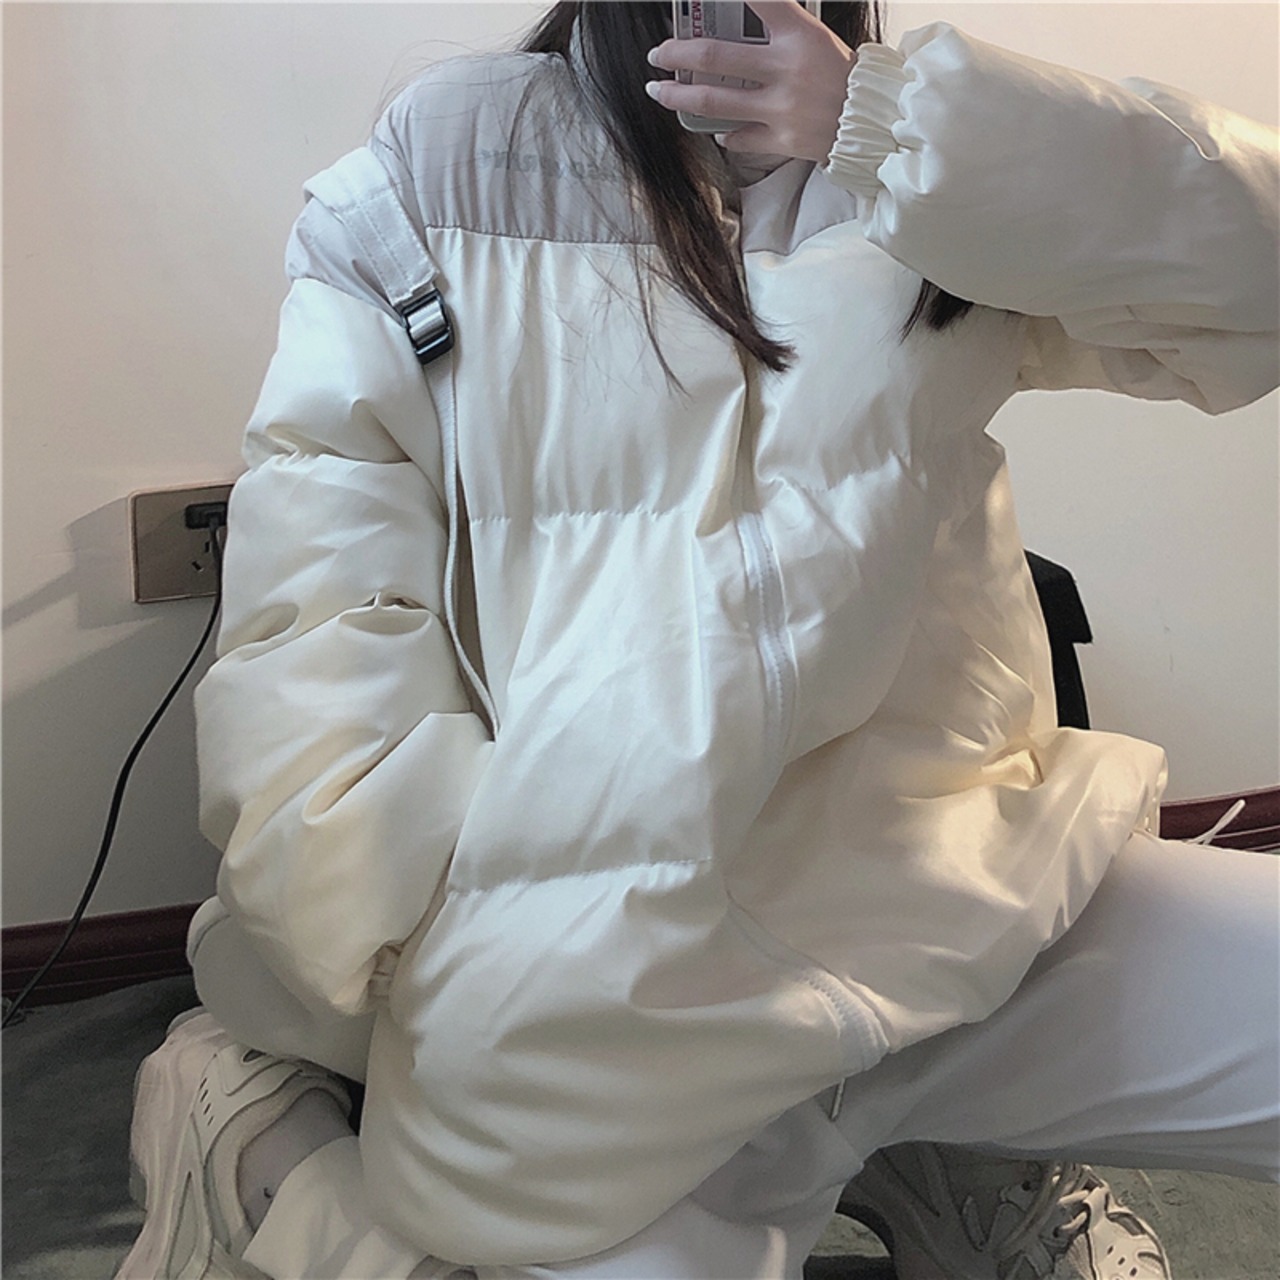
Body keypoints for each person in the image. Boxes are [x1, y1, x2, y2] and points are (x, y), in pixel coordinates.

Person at [117, 3, 1279, 1278]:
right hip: (616, 985)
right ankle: (266, 1153)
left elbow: (1256, 281)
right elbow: (323, 605)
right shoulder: (449, 157)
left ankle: (941, 1159)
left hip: (968, 888)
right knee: (479, 1212)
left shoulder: (901, 147)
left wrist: (891, 126)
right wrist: (405, 953)